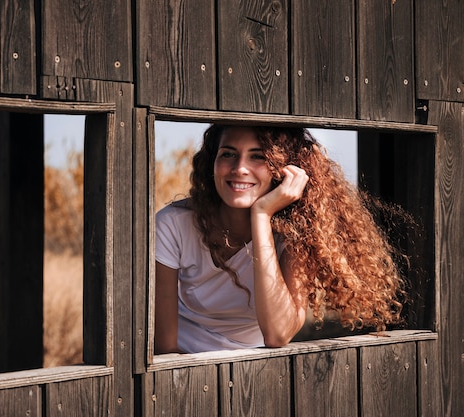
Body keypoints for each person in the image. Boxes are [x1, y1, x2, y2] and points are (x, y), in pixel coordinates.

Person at [155, 124, 405, 354]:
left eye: (258, 156)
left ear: (283, 170)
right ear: (212, 162)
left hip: (255, 369)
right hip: (185, 365)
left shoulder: (295, 233)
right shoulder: (173, 224)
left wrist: (261, 215)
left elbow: (277, 333)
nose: (240, 167)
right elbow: (164, 348)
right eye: (228, 154)